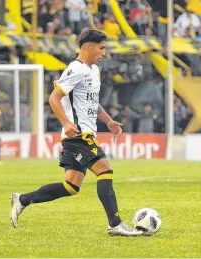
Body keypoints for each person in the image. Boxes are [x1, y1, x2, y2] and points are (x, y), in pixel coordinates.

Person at [10, 28, 143, 237]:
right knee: (105, 171)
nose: (104, 53)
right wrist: (66, 122)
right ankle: (115, 224)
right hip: (79, 136)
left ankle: (22, 199)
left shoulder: (94, 71)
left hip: (82, 134)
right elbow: (54, 98)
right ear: (87, 47)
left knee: (71, 186)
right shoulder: (75, 68)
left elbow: (92, 102)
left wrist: (108, 121)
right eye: (101, 48)